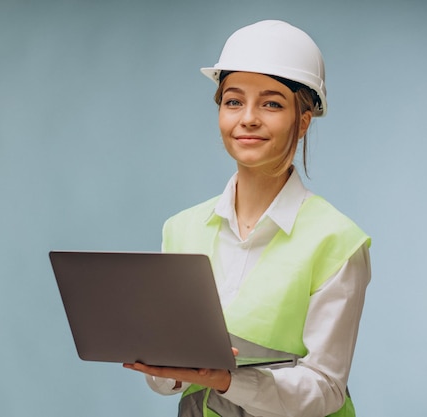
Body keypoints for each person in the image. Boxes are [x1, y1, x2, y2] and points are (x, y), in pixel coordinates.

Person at [123, 20, 371, 417]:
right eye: (233, 101)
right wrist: (160, 365)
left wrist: (226, 379)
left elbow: (325, 389)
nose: (248, 118)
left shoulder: (336, 241)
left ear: (303, 121)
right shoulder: (181, 228)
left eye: (271, 103)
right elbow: (169, 382)